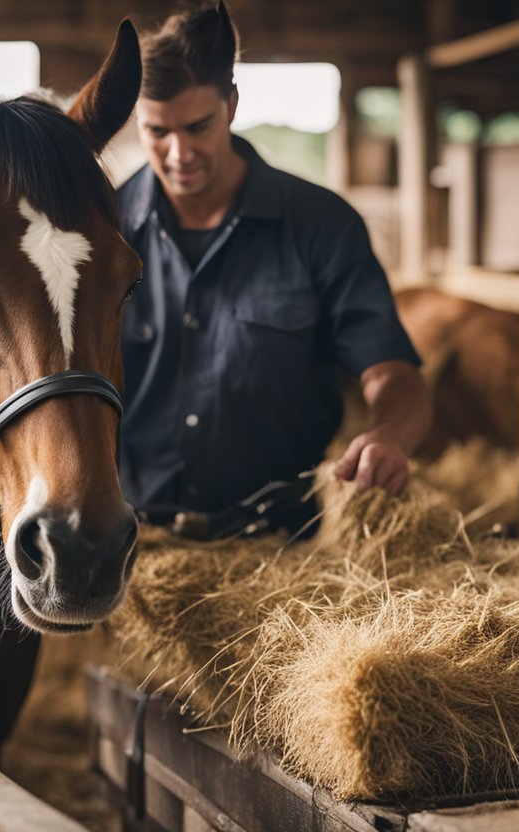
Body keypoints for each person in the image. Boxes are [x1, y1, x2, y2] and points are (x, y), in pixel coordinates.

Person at [117, 1, 431, 533]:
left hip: (286, 549)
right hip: (132, 544)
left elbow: (393, 374)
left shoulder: (322, 226)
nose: (178, 152)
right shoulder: (104, 231)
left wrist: (390, 435)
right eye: (157, 131)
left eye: (198, 126)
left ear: (231, 105)